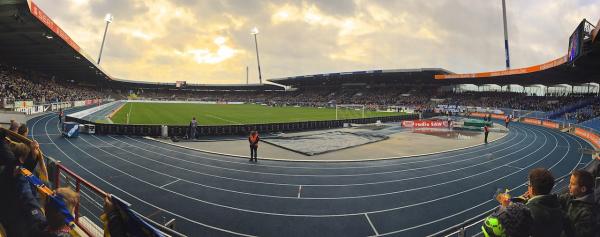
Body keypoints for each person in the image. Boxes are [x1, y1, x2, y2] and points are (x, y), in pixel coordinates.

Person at [521, 168, 565, 237]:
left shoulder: (528, 212)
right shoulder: (557, 203)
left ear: (531, 189)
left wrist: (506, 206)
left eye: (529, 184)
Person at [559, 170, 597, 237]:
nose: (569, 186)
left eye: (572, 184)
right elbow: (558, 199)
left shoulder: (587, 213)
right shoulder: (573, 196)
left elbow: (576, 234)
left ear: (583, 189)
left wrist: (562, 217)